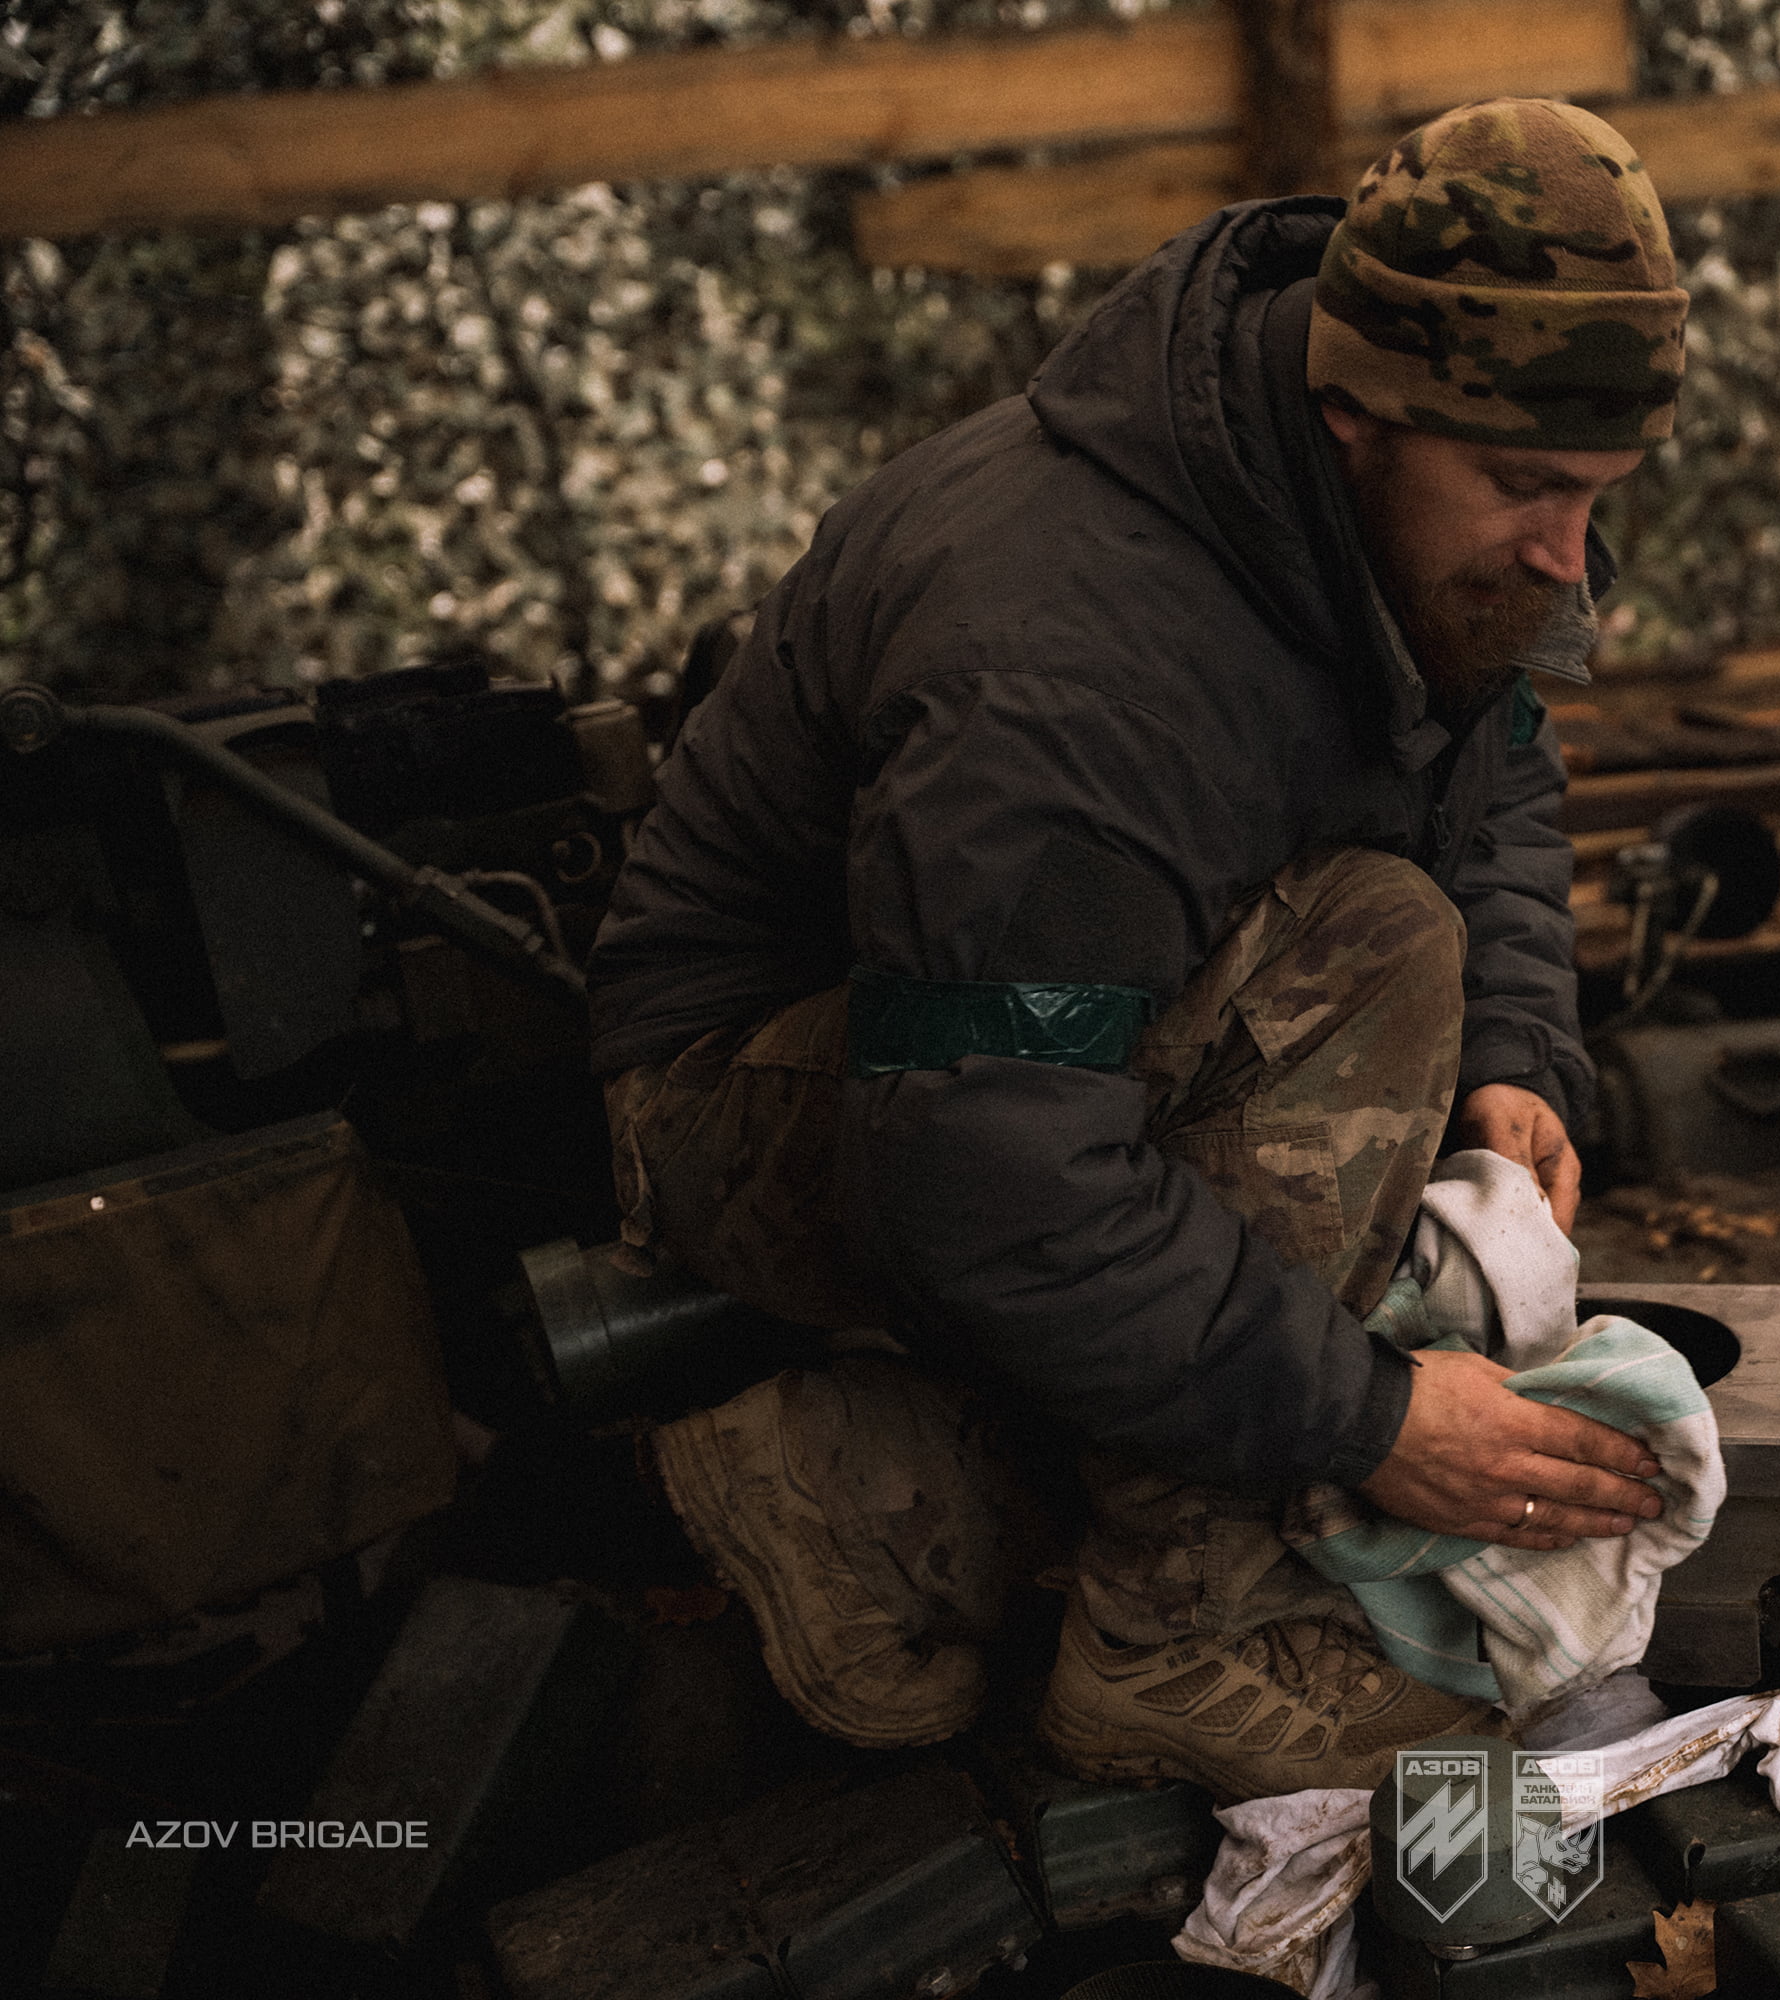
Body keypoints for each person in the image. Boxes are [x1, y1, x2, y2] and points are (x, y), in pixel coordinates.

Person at [584, 100, 1688, 1801]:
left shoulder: (1400, 526)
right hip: (756, 1102)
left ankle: (870, 1484)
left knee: (1413, 969)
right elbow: (979, 1170)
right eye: (1530, 490)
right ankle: (1178, 1645)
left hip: (1014, 1067)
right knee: (1377, 947)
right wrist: (1381, 1421)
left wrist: (1515, 1056)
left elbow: (1497, 769)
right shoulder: (1080, 674)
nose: (1567, 551)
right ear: (1353, 416)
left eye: (1601, 492)